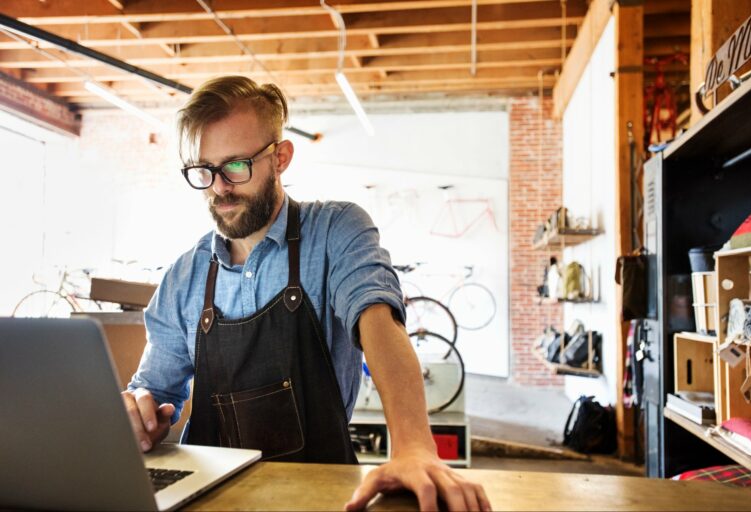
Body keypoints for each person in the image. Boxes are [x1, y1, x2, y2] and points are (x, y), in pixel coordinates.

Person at [122, 76, 491, 512]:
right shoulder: (183, 276)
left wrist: (414, 447)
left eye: (236, 166)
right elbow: (152, 389)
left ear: (280, 158)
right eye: (204, 171)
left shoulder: (336, 231)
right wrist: (136, 416)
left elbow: (378, 319)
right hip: (208, 499)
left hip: (324, 494)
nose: (219, 187)